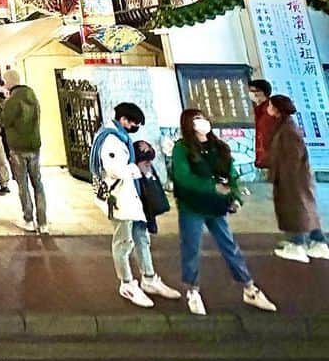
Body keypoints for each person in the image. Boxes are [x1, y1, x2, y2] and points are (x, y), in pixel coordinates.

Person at [171, 107, 276, 314]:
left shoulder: (219, 147)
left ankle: (249, 288)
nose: (201, 123)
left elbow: (231, 174)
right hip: (192, 206)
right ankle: (192, 290)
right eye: (195, 120)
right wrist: (212, 186)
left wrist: (235, 197)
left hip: (217, 206)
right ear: (188, 126)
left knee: (229, 245)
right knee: (191, 247)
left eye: (202, 118)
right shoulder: (182, 148)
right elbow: (183, 177)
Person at [90, 102, 180, 308]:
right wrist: (137, 168)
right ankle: (127, 283)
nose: (135, 127)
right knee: (123, 242)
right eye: (134, 123)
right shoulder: (110, 139)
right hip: (120, 198)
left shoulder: (119, 136)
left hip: (132, 197)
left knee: (141, 236)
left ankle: (149, 278)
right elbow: (115, 169)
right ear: (123, 120)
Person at [265, 94, 329, 262]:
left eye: (270, 105)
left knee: (295, 210)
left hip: (293, 178)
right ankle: (319, 242)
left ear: (277, 109)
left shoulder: (288, 128)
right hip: (295, 177)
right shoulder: (285, 125)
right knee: (305, 210)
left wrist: (286, 177)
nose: (268, 108)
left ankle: (298, 245)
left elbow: (294, 155)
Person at [0, 69, 48, 234]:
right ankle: (43, 222)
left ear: (9, 82)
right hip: (34, 145)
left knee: (23, 184)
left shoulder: (13, 100)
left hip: (18, 147)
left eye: (5, 81)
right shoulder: (32, 96)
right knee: (38, 183)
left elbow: (5, 121)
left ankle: (28, 219)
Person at [250, 78, 274, 171]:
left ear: (260, 92)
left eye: (252, 91)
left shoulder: (270, 110)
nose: (250, 94)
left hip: (271, 160)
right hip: (263, 160)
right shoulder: (258, 109)